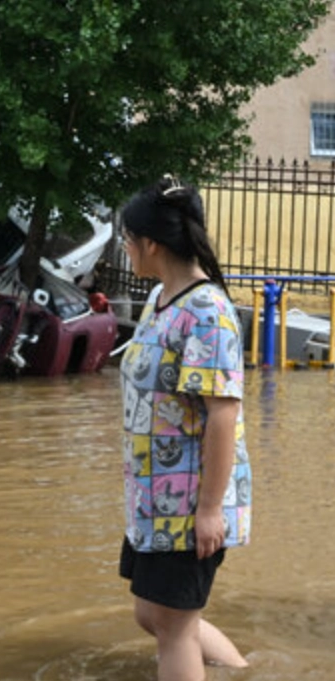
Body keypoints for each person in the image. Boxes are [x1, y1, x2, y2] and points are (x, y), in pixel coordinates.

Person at [117, 175, 252, 680]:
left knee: (173, 625)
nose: (125, 248)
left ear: (149, 243)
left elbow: (223, 413)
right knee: (152, 614)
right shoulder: (160, 300)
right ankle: (240, 670)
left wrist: (210, 511)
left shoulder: (207, 313)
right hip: (154, 497)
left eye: (127, 239)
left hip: (189, 501)